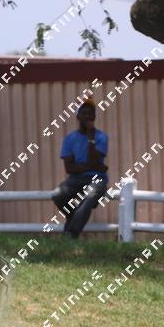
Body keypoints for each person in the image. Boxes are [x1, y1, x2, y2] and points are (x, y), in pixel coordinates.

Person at [52, 99, 109, 238]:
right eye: (85, 113)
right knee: (58, 195)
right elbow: (69, 168)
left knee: (89, 196)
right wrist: (95, 166)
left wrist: (91, 139)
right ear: (78, 117)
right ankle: (73, 217)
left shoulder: (101, 137)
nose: (88, 116)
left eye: (91, 113)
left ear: (95, 116)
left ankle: (71, 234)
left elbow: (94, 160)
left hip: (97, 179)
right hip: (76, 178)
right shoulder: (69, 139)